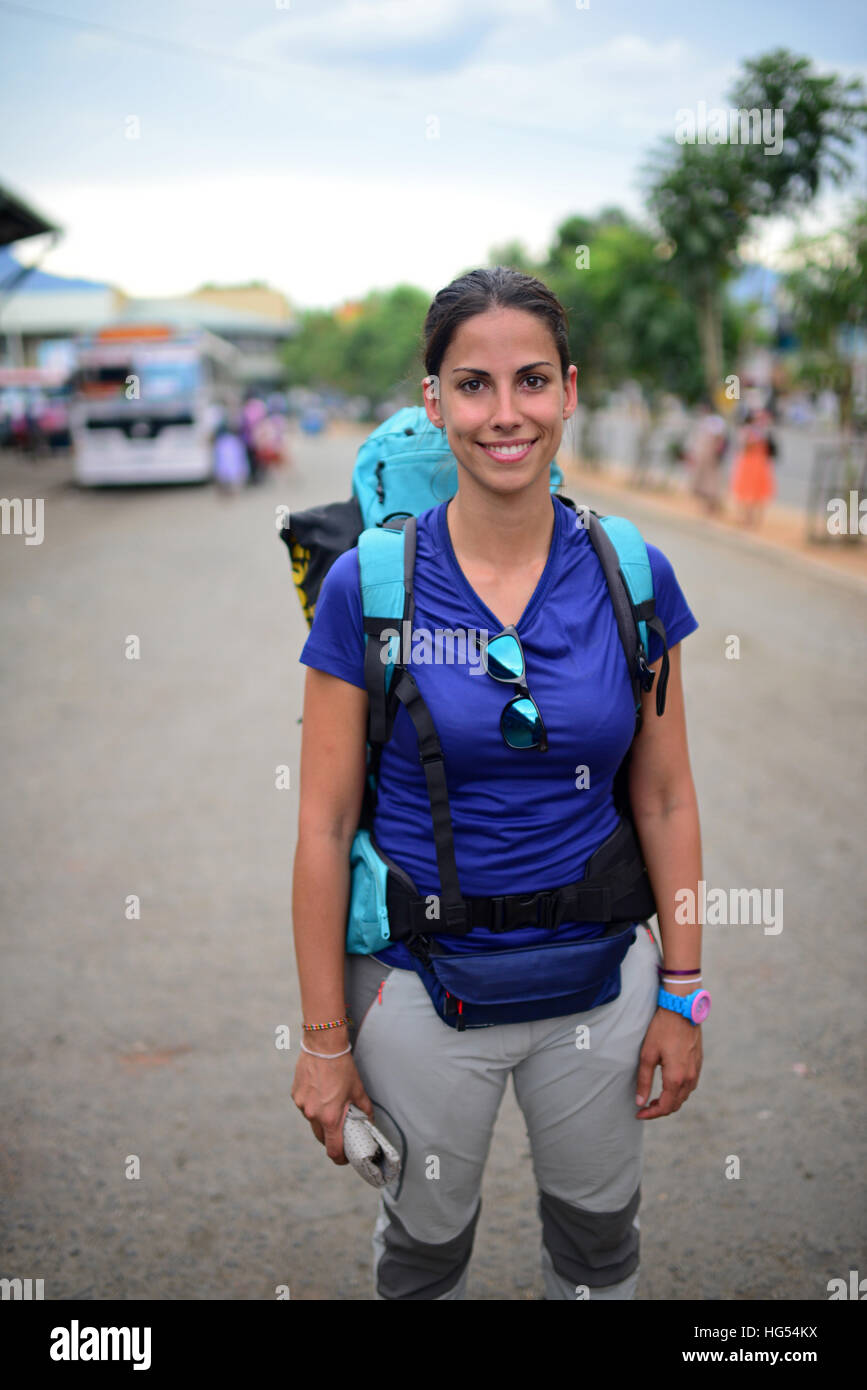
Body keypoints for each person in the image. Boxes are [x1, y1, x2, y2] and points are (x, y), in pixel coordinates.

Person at [291, 267, 704, 1301]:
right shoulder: (369, 587)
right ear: (435, 402)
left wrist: (685, 995)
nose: (506, 413)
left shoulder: (632, 573)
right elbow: (323, 822)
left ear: (568, 389)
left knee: (602, 1246)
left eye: (531, 381)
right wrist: (323, 1044)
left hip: (601, 990)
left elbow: (665, 797)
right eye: (473, 385)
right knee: (426, 1255)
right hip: (419, 992)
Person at [729, 408, 776, 527]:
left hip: (759, 464)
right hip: (748, 464)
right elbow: (744, 446)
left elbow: (770, 449)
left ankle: (755, 519)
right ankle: (744, 516)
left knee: (757, 493)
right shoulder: (748, 431)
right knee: (745, 491)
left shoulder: (765, 432)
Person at [687, 400, 727, 514]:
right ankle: (704, 505)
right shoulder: (704, 421)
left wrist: (716, 452)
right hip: (702, 455)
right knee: (702, 481)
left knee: (711, 482)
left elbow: (719, 439)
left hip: (711, 456)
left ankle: (712, 505)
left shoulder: (716, 421)